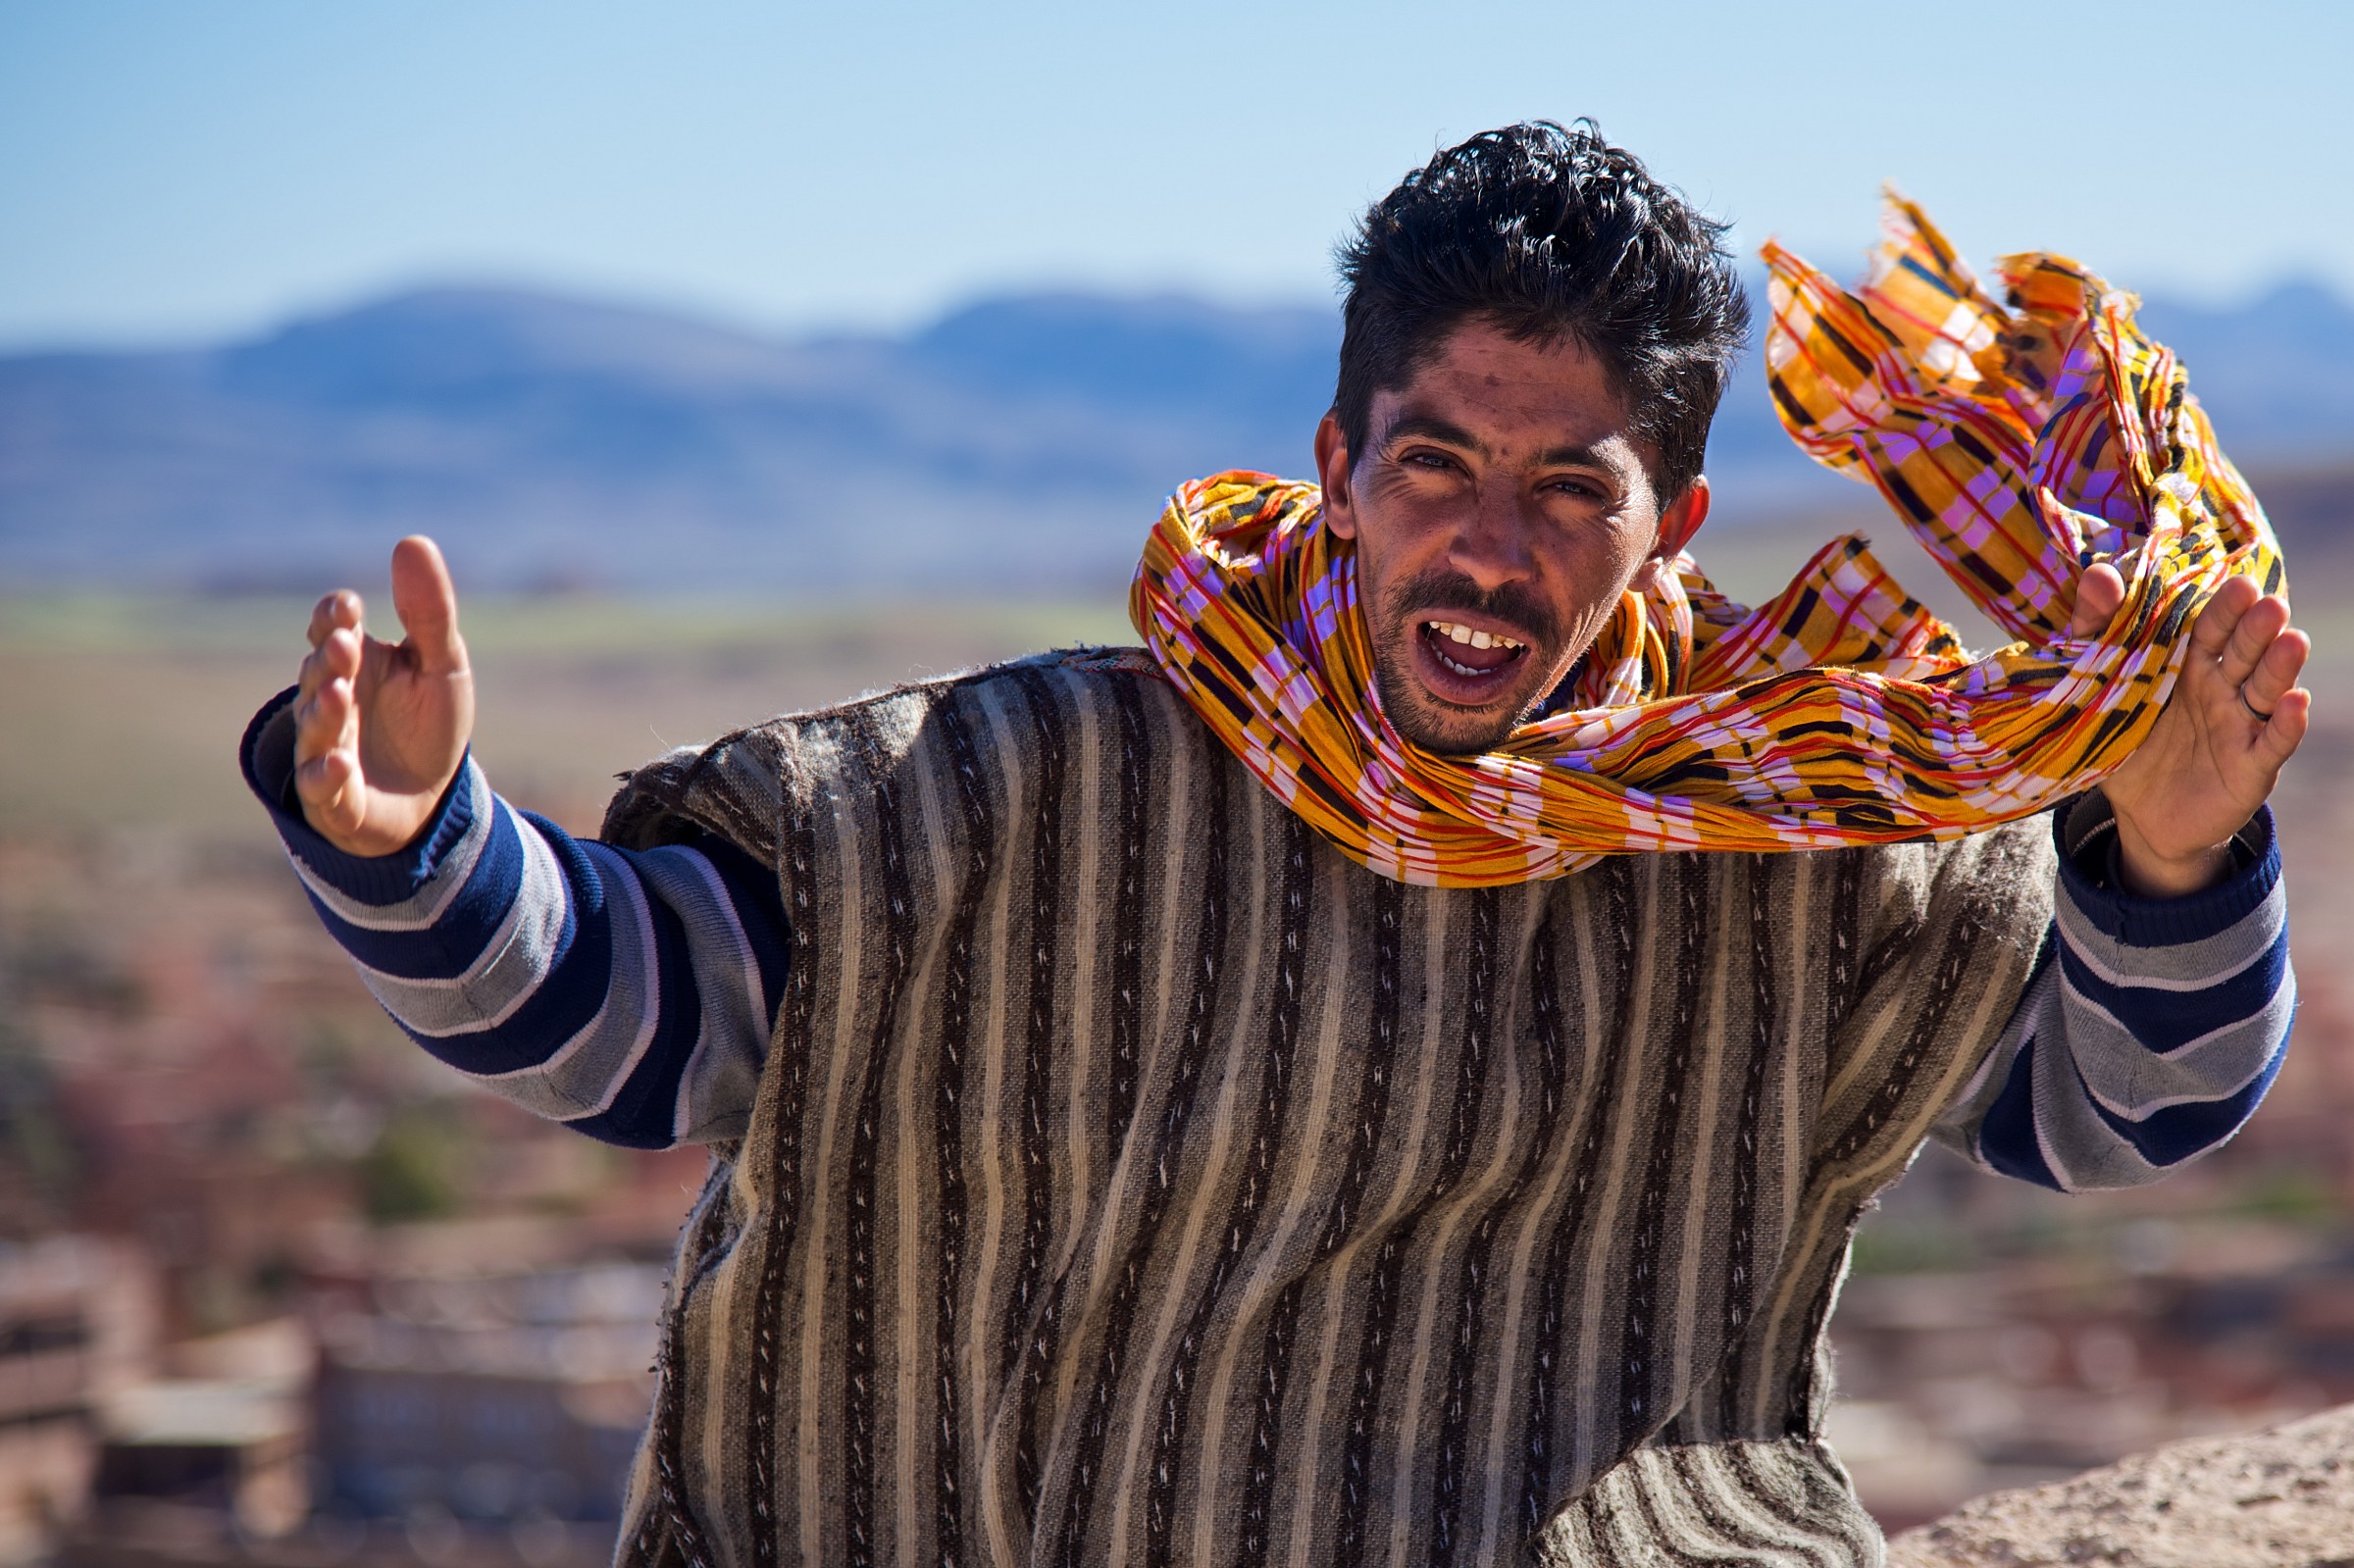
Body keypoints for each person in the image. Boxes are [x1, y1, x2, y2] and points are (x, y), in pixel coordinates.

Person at [239, 124, 2304, 1566]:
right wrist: (423, 847)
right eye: (1434, 465)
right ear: (1335, 461)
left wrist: (2175, 864)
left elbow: (2106, 1112)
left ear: (1674, 522)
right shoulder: (1020, 784)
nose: (1484, 552)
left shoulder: (1797, 823)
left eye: (1567, 492)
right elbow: (635, 1022)